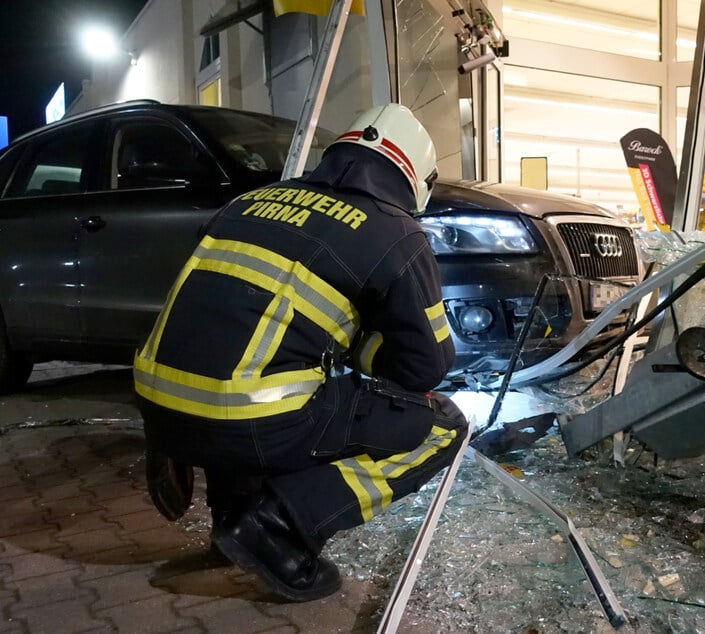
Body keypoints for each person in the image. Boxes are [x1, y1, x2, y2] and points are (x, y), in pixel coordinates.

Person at [134, 103, 468, 602]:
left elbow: (211, 318)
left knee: (261, 372)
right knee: (441, 424)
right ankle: (277, 527)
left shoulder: (246, 202)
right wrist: (355, 347)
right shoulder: (395, 231)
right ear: (418, 177)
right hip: (244, 420)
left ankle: (229, 519)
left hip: (158, 409)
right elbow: (425, 367)